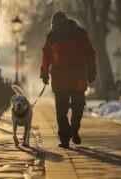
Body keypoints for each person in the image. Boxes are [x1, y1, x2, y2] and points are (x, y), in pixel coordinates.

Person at [40, 11, 97, 148]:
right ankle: (65, 138)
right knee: (61, 110)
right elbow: (46, 56)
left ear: (66, 23)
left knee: (78, 106)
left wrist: (91, 70)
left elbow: (90, 53)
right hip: (59, 79)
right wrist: (44, 73)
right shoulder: (52, 37)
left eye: (61, 25)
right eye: (56, 26)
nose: (59, 28)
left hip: (77, 77)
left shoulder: (79, 34)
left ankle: (74, 130)